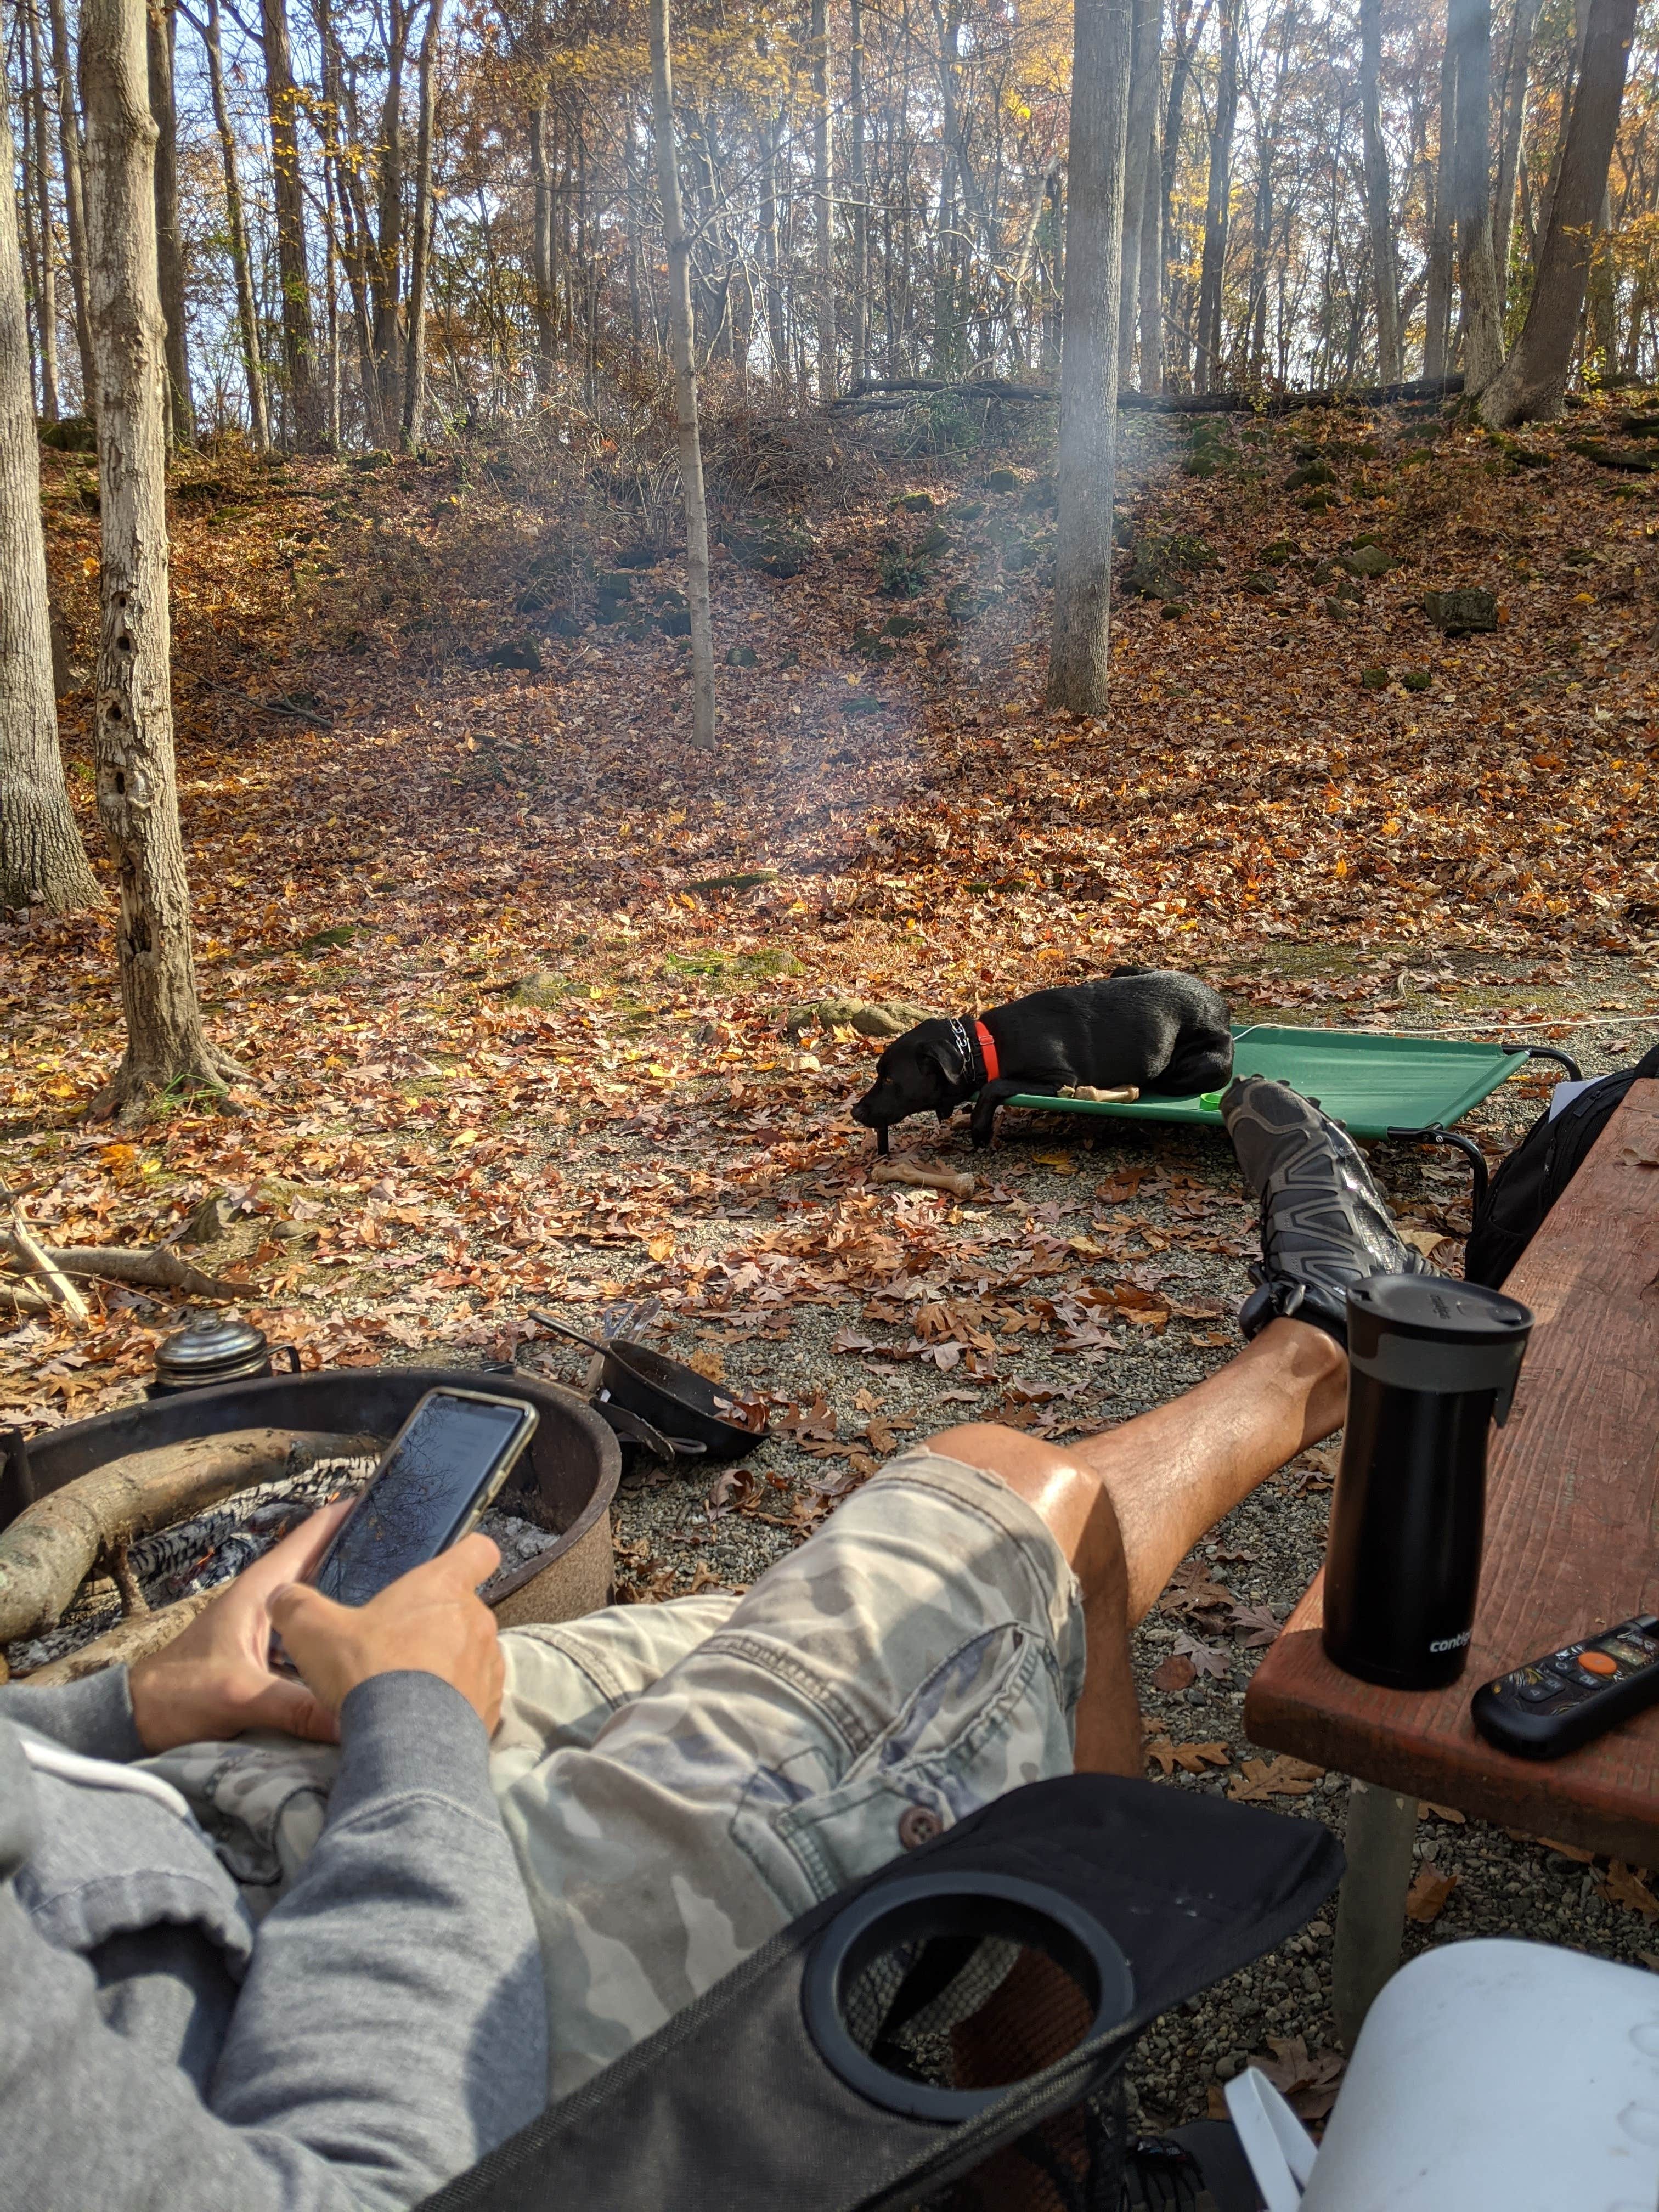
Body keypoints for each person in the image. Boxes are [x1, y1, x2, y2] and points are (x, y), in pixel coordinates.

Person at [0, 1079, 1421, 2207]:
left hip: (185, 1830)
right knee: (1014, 1509)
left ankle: (1024, 2140)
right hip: (372, 2023)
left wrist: (121, 1713)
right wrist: (419, 1734)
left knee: (904, 1639)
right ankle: (1319, 1353)